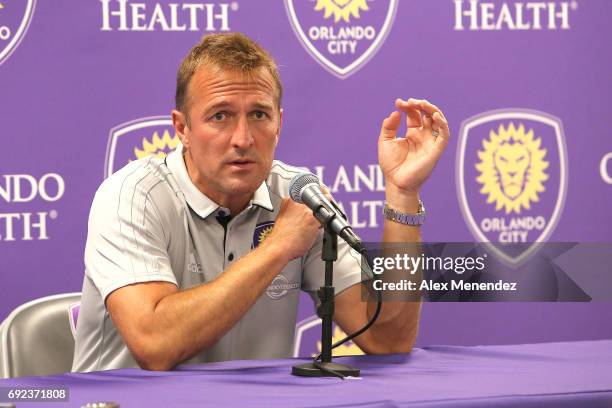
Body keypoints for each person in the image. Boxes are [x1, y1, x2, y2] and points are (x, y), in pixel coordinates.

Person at [72, 32, 450, 372]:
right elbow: (155, 346)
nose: (243, 138)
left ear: (279, 123)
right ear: (182, 128)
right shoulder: (131, 196)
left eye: (259, 115)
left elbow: (388, 339)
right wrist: (278, 248)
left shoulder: (298, 196)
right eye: (220, 116)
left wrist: (403, 194)